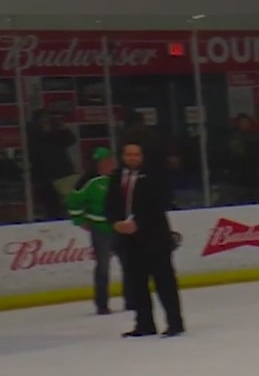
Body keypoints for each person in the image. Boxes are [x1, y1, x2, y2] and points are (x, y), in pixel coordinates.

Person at [104, 143, 185, 338]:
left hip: (155, 237)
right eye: (128, 154)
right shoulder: (116, 177)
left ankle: (175, 323)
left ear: (142, 156)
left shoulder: (156, 175)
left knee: (164, 282)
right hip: (129, 240)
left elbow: (160, 203)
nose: (132, 158)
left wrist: (138, 222)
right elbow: (110, 203)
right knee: (136, 284)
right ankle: (144, 323)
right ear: (123, 156)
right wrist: (115, 223)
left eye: (136, 154)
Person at [67, 147, 130, 315]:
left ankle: (131, 299)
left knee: (129, 264)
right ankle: (102, 304)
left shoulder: (119, 177)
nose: (109, 165)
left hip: (120, 228)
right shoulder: (88, 181)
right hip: (100, 229)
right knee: (103, 266)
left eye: (110, 161)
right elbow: (74, 202)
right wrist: (80, 221)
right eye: (105, 162)